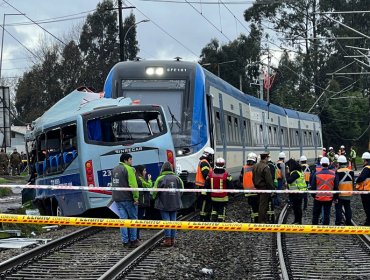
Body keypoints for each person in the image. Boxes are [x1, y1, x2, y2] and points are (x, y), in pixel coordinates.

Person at [111, 153, 140, 248]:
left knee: (123, 220)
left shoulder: (114, 169)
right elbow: (133, 185)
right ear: (125, 160)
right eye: (130, 160)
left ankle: (125, 241)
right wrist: (136, 198)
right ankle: (133, 240)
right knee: (133, 219)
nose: (132, 162)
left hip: (117, 198)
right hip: (128, 198)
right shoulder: (129, 169)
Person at [152, 161, 184, 247]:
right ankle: (173, 239)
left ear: (163, 169)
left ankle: (167, 240)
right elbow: (182, 190)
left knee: (166, 221)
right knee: (173, 221)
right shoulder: (177, 178)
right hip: (175, 202)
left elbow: (154, 192)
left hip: (163, 203)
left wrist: (154, 197)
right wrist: (177, 197)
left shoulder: (160, 178)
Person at [310, 157, 338, 225]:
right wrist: (335, 197)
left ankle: (314, 229)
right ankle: (326, 229)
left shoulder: (316, 174)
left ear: (321, 164)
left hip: (318, 197)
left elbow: (313, 186)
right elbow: (336, 187)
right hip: (329, 198)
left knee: (316, 214)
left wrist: (314, 196)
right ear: (328, 164)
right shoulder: (333, 174)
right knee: (327, 214)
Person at [205, 157, 233, 222]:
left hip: (213, 197)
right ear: (223, 164)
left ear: (215, 164)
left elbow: (206, 185)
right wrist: (231, 193)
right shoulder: (226, 175)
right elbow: (230, 186)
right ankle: (221, 221)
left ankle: (213, 220)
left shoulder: (210, 174)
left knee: (214, 208)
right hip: (223, 197)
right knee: (222, 209)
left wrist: (207, 194)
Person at [252, 151, 275, 223]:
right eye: (267, 157)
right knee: (263, 205)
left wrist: (255, 185)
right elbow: (269, 180)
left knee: (259, 203)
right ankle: (262, 220)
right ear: (265, 158)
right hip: (264, 188)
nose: (268, 159)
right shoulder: (265, 167)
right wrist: (272, 189)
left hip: (257, 187)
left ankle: (261, 219)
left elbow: (253, 177)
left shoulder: (255, 166)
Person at [195, 147, 214, 221]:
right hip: (204, 186)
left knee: (205, 201)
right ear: (208, 155)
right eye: (211, 155)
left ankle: (205, 216)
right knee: (205, 201)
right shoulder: (204, 163)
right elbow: (206, 174)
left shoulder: (204, 162)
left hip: (203, 186)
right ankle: (203, 217)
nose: (212, 157)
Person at [334, 155, 354, 226]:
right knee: (347, 207)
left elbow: (336, 184)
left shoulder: (337, 172)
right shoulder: (351, 171)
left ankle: (338, 222)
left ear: (339, 163)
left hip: (340, 193)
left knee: (338, 208)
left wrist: (335, 196)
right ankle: (348, 221)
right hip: (349, 193)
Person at [286, 159, 307, 224]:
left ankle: (298, 221)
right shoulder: (298, 172)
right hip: (296, 192)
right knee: (296, 207)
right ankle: (297, 220)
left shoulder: (295, 173)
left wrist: (287, 173)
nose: (288, 168)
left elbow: (289, 180)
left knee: (297, 208)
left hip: (297, 193)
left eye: (288, 166)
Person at [135, 165, 153, 240]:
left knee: (138, 219)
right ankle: (136, 237)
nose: (145, 172)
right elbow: (148, 185)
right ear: (141, 171)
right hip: (140, 202)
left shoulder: (139, 178)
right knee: (138, 219)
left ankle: (136, 236)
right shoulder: (139, 178)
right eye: (144, 171)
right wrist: (149, 179)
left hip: (141, 201)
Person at [240, 152, 259, 222]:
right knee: (256, 206)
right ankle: (256, 220)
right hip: (256, 190)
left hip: (247, 191)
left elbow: (241, 178)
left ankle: (253, 219)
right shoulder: (256, 167)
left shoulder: (244, 168)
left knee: (252, 206)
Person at [355, 152, 370, 225]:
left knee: (367, 207)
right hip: (368, 190)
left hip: (366, 190)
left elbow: (361, 178)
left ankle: (368, 222)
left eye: (363, 160)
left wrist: (357, 180)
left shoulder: (367, 168)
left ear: (365, 160)